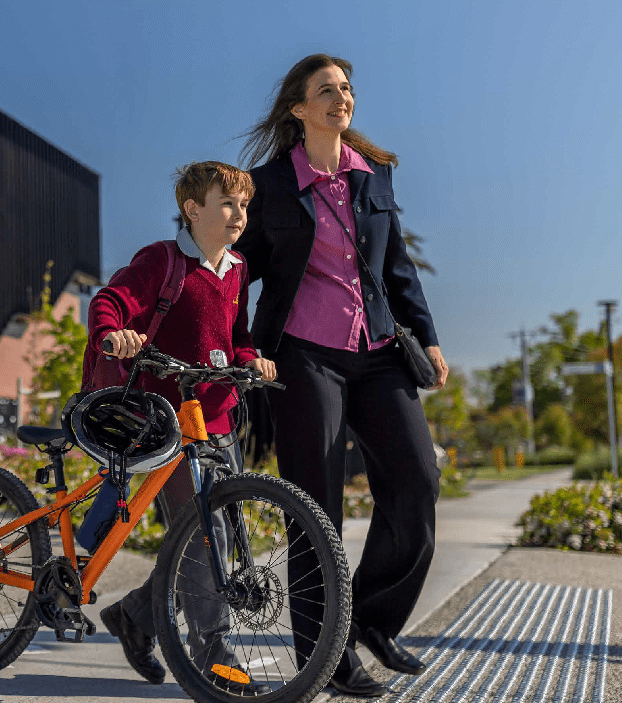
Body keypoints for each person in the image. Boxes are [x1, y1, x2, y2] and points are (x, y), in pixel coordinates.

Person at [234, 54, 448, 698]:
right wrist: (234, 346)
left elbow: (398, 267)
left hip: (379, 349)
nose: (341, 97)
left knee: (417, 478)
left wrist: (428, 338)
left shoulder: (371, 177)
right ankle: (326, 658)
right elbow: (235, 269)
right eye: (326, 90)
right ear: (299, 109)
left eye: (347, 89)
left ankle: (374, 620)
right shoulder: (267, 184)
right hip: (304, 355)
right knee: (315, 508)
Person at [88, 161, 276, 693]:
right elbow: (111, 301)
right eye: (227, 203)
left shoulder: (236, 268)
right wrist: (114, 334)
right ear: (194, 209)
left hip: (216, 418)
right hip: (167, 420)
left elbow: (235, 336)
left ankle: (134, 616)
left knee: (222, 538)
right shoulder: (163, 259)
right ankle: (214, 656)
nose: (239, 213)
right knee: (201, 533)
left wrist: (251, 358)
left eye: (243, 204)